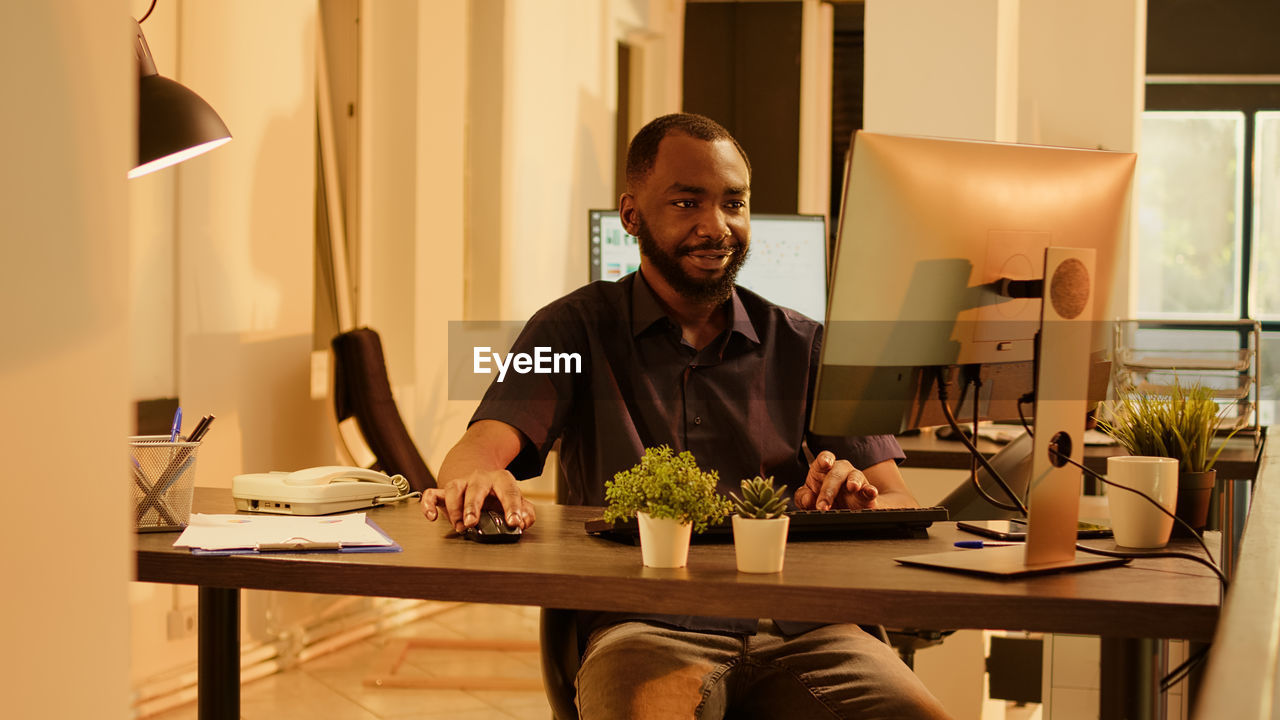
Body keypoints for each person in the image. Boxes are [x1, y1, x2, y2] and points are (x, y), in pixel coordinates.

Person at [422, 113, 951, 719]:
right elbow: (483, 444)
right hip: (643, 629)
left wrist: (859, 504)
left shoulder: (805, 344)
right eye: (686, 202)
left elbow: (900, 502)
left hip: (810, 631)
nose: (716, 226)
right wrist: (477, 477)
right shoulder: (574, 329)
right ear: (632, 216)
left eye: (734, 203)